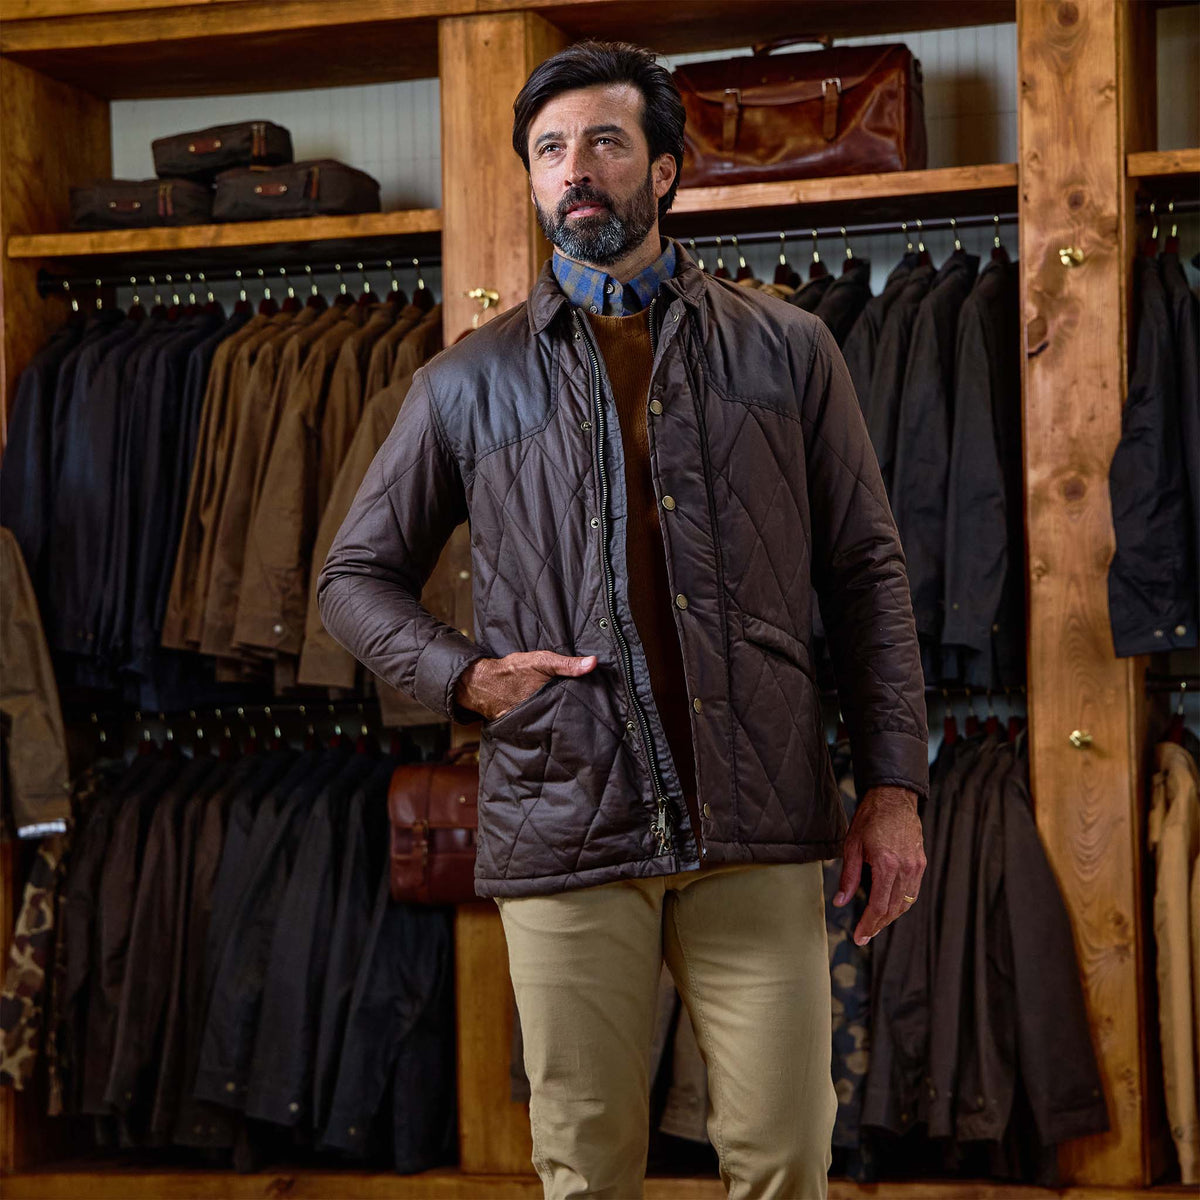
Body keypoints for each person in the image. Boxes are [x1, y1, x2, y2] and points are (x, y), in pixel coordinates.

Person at [318, 39, 928, 1200]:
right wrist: (469, 679)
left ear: (665, 169)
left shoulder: (788, 349)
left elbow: (866, 571)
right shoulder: (468, 381)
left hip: (756, 815)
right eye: (550, 150)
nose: (575, 169)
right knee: (587, 1164)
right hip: (566, 810)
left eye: (604, 141)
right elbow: (353, 578)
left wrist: (894, 786)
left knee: (786, 1152)